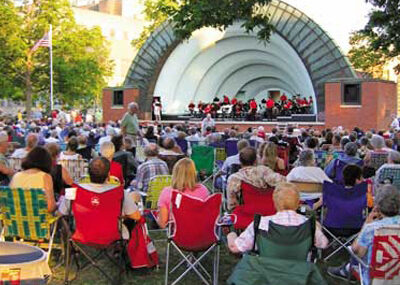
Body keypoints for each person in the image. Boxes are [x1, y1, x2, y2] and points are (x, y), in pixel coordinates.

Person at [328, 185, 400, 284]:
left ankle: (347, 269)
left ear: (377, 205)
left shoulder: (371, 228)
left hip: (374, 279)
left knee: (357, 251)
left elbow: (357, 252)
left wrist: (366, 223)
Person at [227, 182, 328, 253]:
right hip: (299, 273)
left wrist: (231, 234)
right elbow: (323, 244)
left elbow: (235, 248)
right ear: (298, 203)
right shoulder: (309, 224)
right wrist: (317, 227)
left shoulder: (261, 223)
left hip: (266, 271)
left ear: (275, 203)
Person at [58, 157, 141, 221]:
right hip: (112, 239)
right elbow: (136, 216)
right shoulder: (120, 193)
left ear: (88, 174)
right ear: (109, 175)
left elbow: (61, 213)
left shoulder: (72, 191)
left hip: (80, 240)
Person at [156, 158, 209, 228]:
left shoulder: (167, 192)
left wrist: (157, 215)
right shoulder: (203, 190)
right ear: (194, 173)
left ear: (175, 173)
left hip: (178, 234)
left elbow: (162, 224)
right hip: (200, 231)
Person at [10, 146, 56, 212]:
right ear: (46, 161)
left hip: (16, 219)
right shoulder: (45, 177)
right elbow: (50, 207)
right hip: (39, 220)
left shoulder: (16, 176)